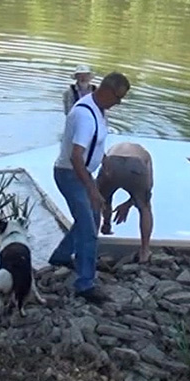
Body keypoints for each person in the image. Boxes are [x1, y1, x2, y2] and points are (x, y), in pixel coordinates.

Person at [49, 72, 131, 304]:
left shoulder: (98, 108)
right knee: (88, 230)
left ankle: (61, 256)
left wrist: (103, 160)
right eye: (118, 97)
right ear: (106, 91)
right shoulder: (85, 116)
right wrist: (92, 189)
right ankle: (85, 284)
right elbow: (76, 157)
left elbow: (95, 141)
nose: (119, 103)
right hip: (70, 174)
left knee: (92, 218)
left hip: (81, 173)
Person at [97, 142, 154, 263]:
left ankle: (104, 228)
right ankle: (144, 251)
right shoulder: (145, 154)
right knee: (145, 207)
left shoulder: (113, 148)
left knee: (100, 199)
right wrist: (129, 204)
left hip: (112, 162)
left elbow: (103, 198)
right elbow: (148, 187)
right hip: (136, 165)